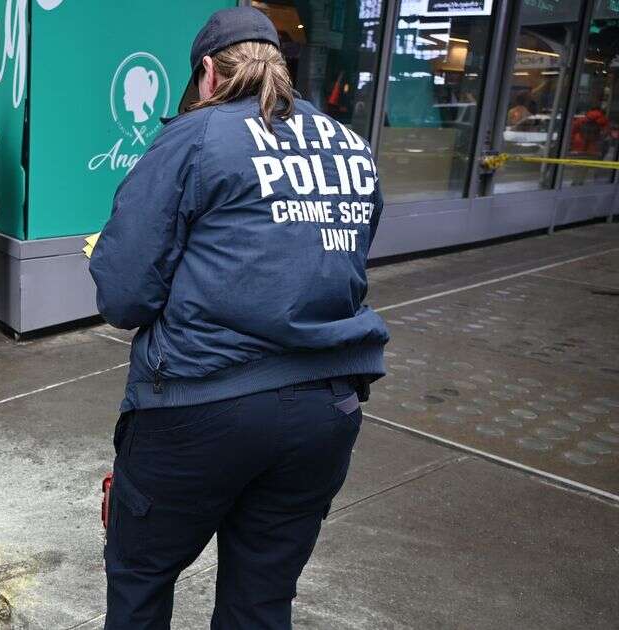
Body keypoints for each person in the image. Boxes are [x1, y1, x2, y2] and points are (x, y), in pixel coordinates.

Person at [89, 8, 389, 628]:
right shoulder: (349, 142)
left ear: (207, 73)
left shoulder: (196, 137)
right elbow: (340, 260)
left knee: (141, 579)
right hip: (324, 412)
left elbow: (124, 295)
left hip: (201, 405)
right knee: (261, 601)